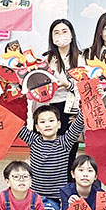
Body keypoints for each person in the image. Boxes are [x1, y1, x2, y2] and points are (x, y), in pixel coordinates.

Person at [17, 104, 84, 210]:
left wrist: (85, 108)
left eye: (51, 121)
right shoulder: (33, 140)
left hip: (56, 197)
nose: (47, 124)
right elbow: (13, 125)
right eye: (42, 122)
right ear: (37, 127)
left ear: (59, 124)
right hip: (34, 197)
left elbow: (78, 125)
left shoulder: (64, 142)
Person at [44, 19, 85, 176]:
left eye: (64, 31)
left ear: (72, 34)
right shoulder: (46, 59)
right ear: (51, 37)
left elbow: (85, 86)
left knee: (69, 151)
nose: (61, 35)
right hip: (51, 108)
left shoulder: (81, 58)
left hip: (72, 109)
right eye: (56, 32)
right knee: (50, 151)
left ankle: (68, 183)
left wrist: (68, 85)